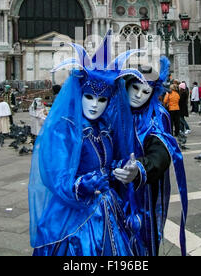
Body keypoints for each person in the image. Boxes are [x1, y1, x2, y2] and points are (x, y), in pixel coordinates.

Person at [29, 31, 141, 256]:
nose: (94, 105)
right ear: (79, 94)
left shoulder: (105, 129)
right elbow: (55, 177)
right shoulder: (64, 131)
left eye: (101, 100)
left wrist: (121, 169)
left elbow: (105, 164)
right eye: (89, 97)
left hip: (108, 209)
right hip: (72, 217)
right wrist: (82, 185)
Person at [112, 59, 188, 256]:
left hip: (141, 194)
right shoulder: (112, 111)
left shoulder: (155, 115)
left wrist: (140, 168)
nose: (138, 95)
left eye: (145, 92)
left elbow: (161, 152)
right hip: (110, 189)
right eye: (135, 88)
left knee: (140, 243)